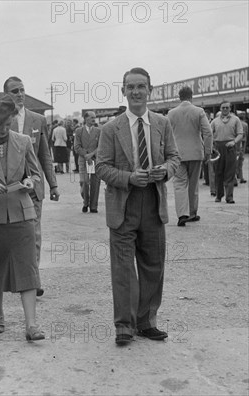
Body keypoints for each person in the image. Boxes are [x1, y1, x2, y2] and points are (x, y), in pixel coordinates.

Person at [96, 67, 180, 346]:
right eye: (130, 87)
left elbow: (174, 157)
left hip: (153, 204)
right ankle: (124, 325)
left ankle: (146, 322)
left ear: (150, 90)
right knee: (123, 269)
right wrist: (128, 178)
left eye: (141, 86)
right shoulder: (110, 128)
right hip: (123, 204)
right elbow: (101, 167)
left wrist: (165, 171)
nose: (135, 92)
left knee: (153, 266)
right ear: (123, 91)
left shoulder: (162, 123)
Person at [0, 94, 44, 341]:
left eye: (9, 124)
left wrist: (29, 182)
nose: (5, 129)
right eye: (0, 125)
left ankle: (32, 325)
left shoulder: (23, 142)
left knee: (28, 267)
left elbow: (36, 175)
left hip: (22, 215)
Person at [4, 76, 59, 297]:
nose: (19, 94)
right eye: (14, 91)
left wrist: (53, 184)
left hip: (34, 188)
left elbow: (45, 154)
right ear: (6, 94)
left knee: (33, 234)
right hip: (10, 188)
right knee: (13, 235)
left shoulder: (37, 120)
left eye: (22, 90)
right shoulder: (1, 119)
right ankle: (15, 275)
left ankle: (33, 280)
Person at [167, 86, 213, 225]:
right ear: (191, 96)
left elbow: (166, 135)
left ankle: (182, 214)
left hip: (177, 154)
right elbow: (208, 132)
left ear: (179, 97)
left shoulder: (171, 113)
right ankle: (192, 213)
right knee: (193, 185)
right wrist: (208, 151)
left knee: (180, 184)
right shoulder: (199, 111)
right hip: (196, 153)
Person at [210, 102, 244, 204]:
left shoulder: (236, 120)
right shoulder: (214, 121)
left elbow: (240, 134)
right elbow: (209, 134)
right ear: (220, 108)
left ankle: (229, 197)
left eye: (227, 107)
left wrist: (234, 142)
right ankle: (219, 195)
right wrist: (211, 146)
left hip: (230, 148)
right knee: (218, 172)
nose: (225, 109)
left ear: (230, 108)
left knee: (230, 172)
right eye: (223, 107)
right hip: (218, 148)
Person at [74, 111, 101, 213]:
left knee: (95, 183)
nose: (94, 119)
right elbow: (77, 146)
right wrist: (86, 155)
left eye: (95, 117)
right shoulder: (79, 131)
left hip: (95, 159)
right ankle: (86, 202)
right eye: (91, 117)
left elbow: (101, 146)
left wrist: (92, 154)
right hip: (83, 159)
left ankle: (93, 206)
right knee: (84, 181)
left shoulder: (98, 131)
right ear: (85, 119)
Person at [237, 113, 248, 184]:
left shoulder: (236, 123)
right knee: (240, 161)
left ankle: (237, 176)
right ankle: (240, 177)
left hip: (236, 142)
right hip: (242, 142)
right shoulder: (245, 124)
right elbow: (246, 133)